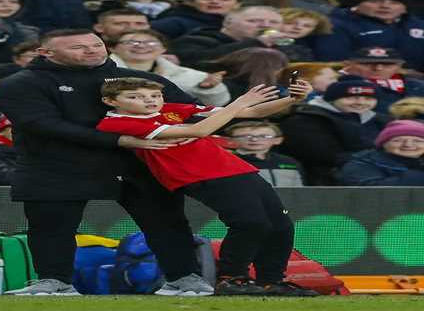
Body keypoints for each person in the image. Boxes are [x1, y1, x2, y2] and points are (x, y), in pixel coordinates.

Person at [0, 28, 216, 296]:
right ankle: (54, 282)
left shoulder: (141, 80)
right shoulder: (19, 84)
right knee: (51, 226)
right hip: (56, 165)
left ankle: (183, 278)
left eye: (96, 44)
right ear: (45, 52)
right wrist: (119, 140)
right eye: (77, 47)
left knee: (167, 222)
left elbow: (191, 112)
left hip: (139, 161)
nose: (91, 50)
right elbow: (43, 125)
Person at [96, 76, 318, 296]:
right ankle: (231, 278)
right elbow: (198, 131)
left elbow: (252, 113)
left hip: (237, 168)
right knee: (250, 222)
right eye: (135, 96)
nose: (149, 101)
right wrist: (238, 103)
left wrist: (291, 99)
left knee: (281, 226)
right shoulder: (116, 123)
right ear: (110, 101)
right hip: (197, 176)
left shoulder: (174, 109)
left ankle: (271, 281)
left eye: (155, 95)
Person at [278, 78, 391, 185]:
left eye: (368, 99)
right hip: (321, 183)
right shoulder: (304, 120)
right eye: (351, 98)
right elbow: (324, 155)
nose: (361, 102)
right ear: (331, 99)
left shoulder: (382, 120)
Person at [108, 29, 231, 106]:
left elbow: (216, 105)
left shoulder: (191, 75)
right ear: (113, 48)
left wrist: (209, 89)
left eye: (151, 42)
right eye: (131, 42)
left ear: (163, 48)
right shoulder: (103, 72)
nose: (141, 46)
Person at [169, 6, 313, 70]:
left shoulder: (287, 47)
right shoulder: (197, 39)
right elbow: (196, 62)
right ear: (228, 22)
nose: (264, 26)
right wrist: (257, 42)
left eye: (273, 22)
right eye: (254, 21)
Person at [314, 0, 424, 72]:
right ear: (357, 4)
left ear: (405, 8)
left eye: (394, 3)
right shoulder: (336, 24)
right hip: (356, 81)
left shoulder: (417, 25)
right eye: (375, 1)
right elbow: (334, 62)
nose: (385, 6)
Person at [335, 119, 424, 186]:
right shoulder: (361, 163)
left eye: (418, 141)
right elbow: (374, 191)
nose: (408, 145)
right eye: (397, 140)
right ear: (383, 144)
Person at [340, 46, 424, 113]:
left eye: (387, 64)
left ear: (399, 66)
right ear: (349, 65)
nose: (378, 68)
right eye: (368, 64)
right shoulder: (337, 86)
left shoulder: (418, 86)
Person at [223, 120, 305, 187]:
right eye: (245, 136)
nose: (254, 140)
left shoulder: (289, 162)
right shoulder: (226, 162)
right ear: (230, 140)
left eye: (264, 136)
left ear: (278, 140)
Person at [151, 0, 241, 39]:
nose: (215, 2)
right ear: (191, 2)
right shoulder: (174, 22)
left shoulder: (243, 23)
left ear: (237, 5)